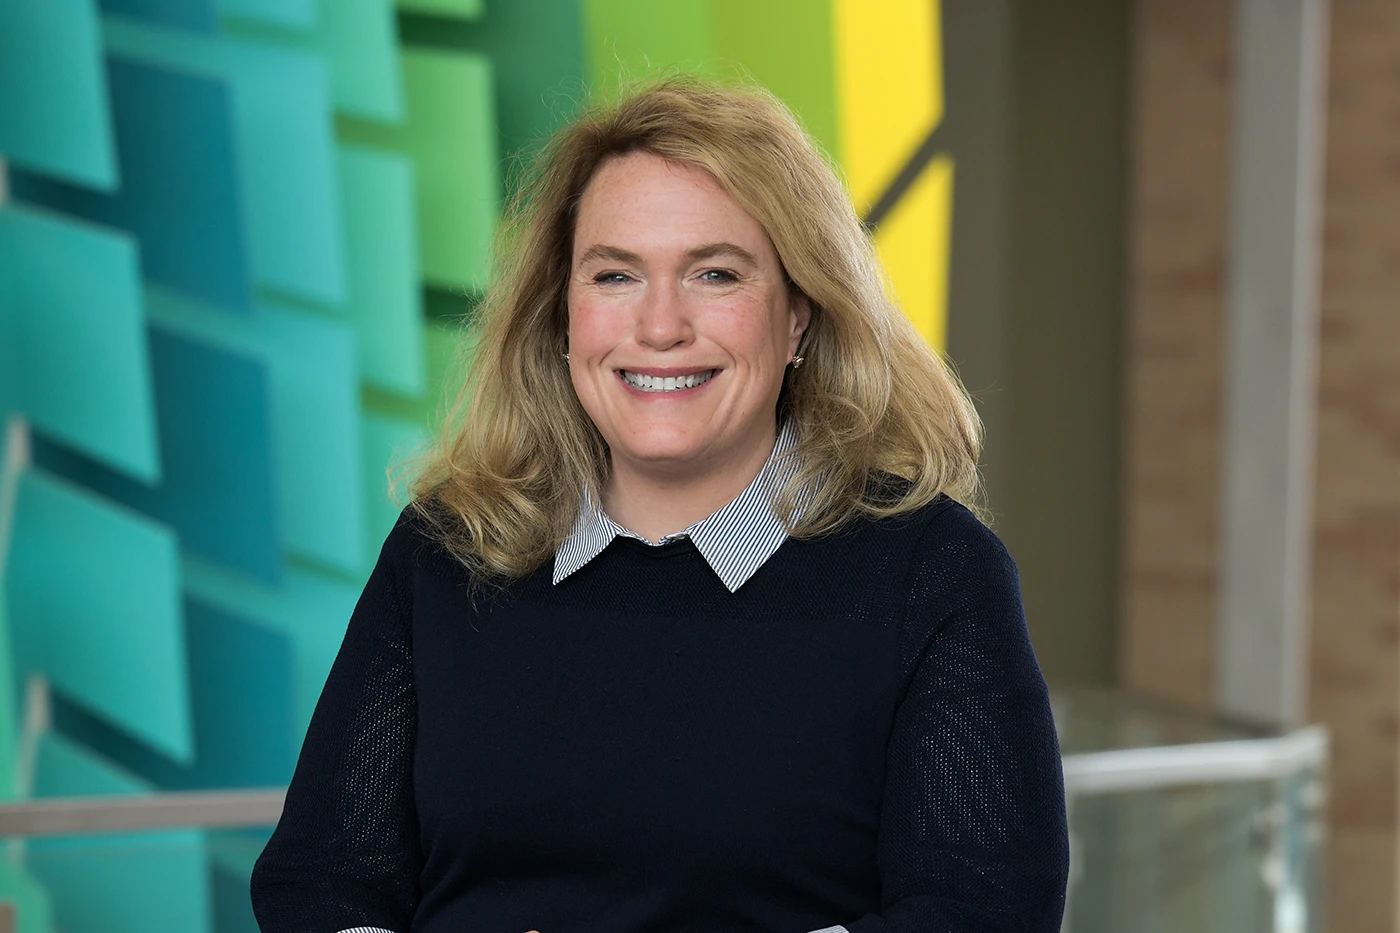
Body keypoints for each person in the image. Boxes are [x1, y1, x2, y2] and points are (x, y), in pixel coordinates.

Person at [250, 77, 1069, 933]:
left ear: (797, 317)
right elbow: (321, 879)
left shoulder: (931, 575)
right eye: (615, 275)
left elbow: (984, 911)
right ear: (562, 318)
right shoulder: (447, 550)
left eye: (714, 274)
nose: (660, 325)